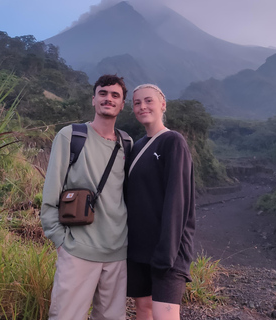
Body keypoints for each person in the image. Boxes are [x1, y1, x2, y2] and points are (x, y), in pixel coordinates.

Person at [40, 74, 131, 320]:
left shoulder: (127, 144)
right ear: (93, 100)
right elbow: (50, 194)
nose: (108, 99)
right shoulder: (71, 136)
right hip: (77, 250)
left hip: (117, 253)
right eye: (103, 93)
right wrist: (61, 241)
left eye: (115, 95)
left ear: (123, 105)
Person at [126, 84, 195, 320]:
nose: (142, 106)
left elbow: (177, 199)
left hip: (168, 250)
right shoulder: (135, 147)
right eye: (137, 103)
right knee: (143, 309)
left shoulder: (172, 141)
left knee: (165, 315)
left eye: (149, 101)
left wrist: (166, 254)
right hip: (138, 248)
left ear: (163, 105)